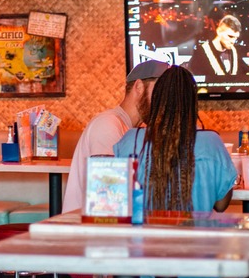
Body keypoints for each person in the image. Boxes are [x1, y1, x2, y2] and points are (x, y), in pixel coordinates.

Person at [111, 66, 240, 278]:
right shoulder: (211, 142)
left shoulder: (129, 141)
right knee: (240, 277)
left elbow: (116, 206)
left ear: (155, 100)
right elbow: (221, 205)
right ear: (193, 102)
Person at [62, 60, 169, 213]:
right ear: (138, 86)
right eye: (160, 91)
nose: (164, 100)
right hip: (84, 229)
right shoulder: (107, 124)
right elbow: (107, 196)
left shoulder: (134, 131)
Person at [185, 15, 249, 86]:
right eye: (230, 36)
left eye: (236, 38)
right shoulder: (201, 53)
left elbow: (246, 73)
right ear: (219, 31)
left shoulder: (234, 52)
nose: (233, 41)